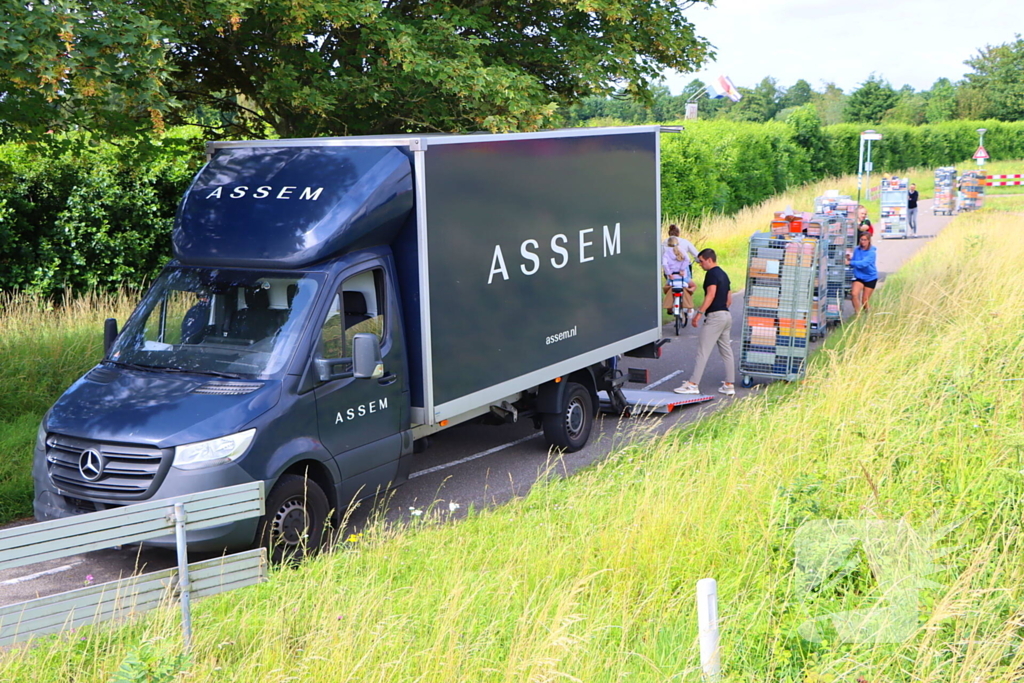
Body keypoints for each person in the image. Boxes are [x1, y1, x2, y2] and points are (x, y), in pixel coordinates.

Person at [674, 248, 735, 397]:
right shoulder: (724, 274)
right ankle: (729, 384)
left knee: (703, 351)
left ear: (709, 260)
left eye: (701, 261)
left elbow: (711, 294)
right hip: (726, 316)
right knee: (726, 351)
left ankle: (693, 384)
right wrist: (723, 310)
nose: (700, 265)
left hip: (715, 317)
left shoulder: (712, 274)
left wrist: (699, 314)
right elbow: (729, 298)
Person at [662, 224, 699, 317]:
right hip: (683, 273)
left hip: (670, 273)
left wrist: (668, 273)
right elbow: (695, 255)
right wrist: (698, 261)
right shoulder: (685, 243)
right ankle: (689, 307)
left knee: (668, 287)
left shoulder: (663, 244)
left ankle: (669, 306)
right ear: (678, 234)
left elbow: (663, 262)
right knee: (691, 285)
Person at [846, 231, 878, 314]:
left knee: (865, 300)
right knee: (854, 294)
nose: (862, 242)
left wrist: (850, 263)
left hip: (870, 277)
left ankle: (869, 314)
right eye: (861, 239)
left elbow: (863, 264)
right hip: (859, 277)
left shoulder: (871, 253)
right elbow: (855, 261)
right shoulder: (857, 249)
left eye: (864, 240)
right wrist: (849, 259)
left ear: (868, 241)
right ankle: (857, 314)